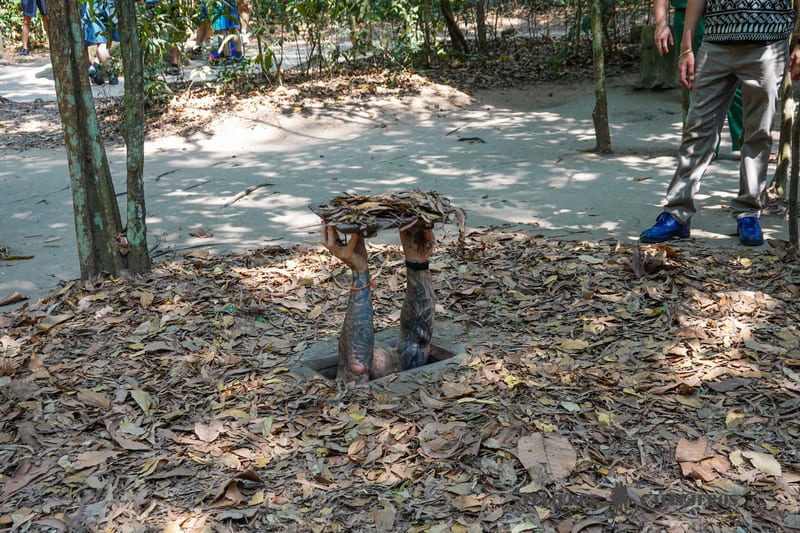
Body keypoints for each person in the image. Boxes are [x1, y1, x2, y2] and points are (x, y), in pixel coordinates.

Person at [640, 0, 800, 246]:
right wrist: (686, 46)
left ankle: (748, 212)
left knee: (758, 132)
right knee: (697, 129)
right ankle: (677, 214)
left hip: (768, 45)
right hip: (715, 44)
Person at [320, 223, 435, 384]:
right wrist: (418, 264)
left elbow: (357, 367)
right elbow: (418, 339)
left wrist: (360, 272)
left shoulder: (359, 382)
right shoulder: (403, 364)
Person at [654, 0, 743, 156]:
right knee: (695, 80)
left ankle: (747, 140)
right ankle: (705, 145)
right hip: (687, 14)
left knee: (737, 79)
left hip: (728, 14)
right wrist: (661, 24)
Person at [80, 0, 120, 85]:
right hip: (107, 4)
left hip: (93, 5)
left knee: (102, 41)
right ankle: (105, 71)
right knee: (104, 39)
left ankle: (102, 70)